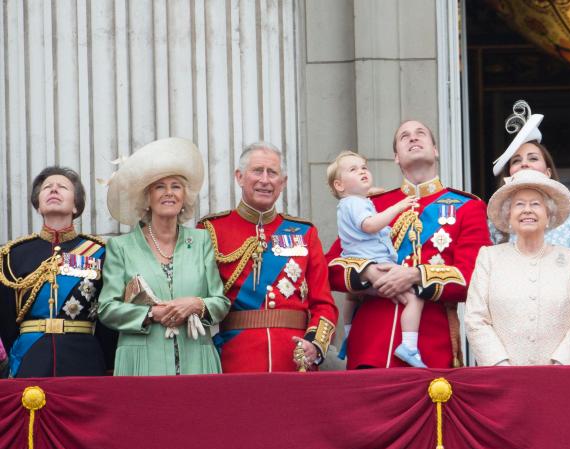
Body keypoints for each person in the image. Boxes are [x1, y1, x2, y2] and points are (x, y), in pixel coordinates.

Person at [326, 119, 489, 368]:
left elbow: (474, 278)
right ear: (396, 157)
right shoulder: (372, 205)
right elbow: (330, 268)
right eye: (405, 136)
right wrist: (366, 271)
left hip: (430, 349)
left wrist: (415, 275)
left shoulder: (468, 207)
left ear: (435, 150)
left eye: (420, 133)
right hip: (370, 347)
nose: (413, 138)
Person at [198, 142, 339, 372]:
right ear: (240, 177)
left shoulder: (304, 232)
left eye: (272, 173)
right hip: (236, 359)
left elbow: (324, 304)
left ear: (282, 183)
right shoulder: (211, 229)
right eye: (257, 171)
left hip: (295, 359)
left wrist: (315, 344)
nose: (265, 180)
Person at [99, 137, 230, 375]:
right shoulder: (121, 247)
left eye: (176, 186)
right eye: (159, 186)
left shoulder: (201, 241)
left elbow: (220, 303)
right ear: (146, 198)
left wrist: (196, 304)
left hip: (196, 360)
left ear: (184, 198)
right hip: (141, 363)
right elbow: (107, 308)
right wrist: (151, 313)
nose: (168, 193)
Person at [464, 169, 570, 365]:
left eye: (535, 204)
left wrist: (559, 364)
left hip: (560, 378)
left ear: (548, 214)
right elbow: (476, 319)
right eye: (519, 204)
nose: (527, 210)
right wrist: (500, 365)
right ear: (508, 215)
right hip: (502, 379)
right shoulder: (488, 258)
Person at [0, 166, 115, 377]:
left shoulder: (100, 252)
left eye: (62, 187)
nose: (54, 190)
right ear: (38, 205)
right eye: (47, 188)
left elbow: (108, 316)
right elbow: (6, 319)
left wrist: (108, 363)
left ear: (76, 205)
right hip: (29, 357)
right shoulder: (13, 254)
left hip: (84, 358)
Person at [327, 150, 425, 367]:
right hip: (377, 262)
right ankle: (409, 346)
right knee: (415, 298)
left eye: (364, 167)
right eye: (354, 169)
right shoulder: (362, 203)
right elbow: (369, 225)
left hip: (357, 260)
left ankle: (348, 335)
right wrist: (397, 206)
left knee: (353, 297)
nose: (362, 171)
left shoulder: (353, 202)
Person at [488, 101, 570, 280]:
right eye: (516, 160)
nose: (524, 163)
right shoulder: (494, 226)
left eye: (533, 158)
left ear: (547, 172)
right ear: (509, 174)